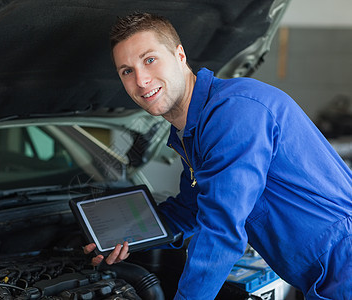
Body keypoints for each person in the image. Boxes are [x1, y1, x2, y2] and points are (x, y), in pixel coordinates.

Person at [84, 12, 352, 299]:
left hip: (343, 265)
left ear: (180, 55)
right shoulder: (192, 133)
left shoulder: (234, 113)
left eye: (149, 60)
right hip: (320, 274)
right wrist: (125, 237)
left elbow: (221, 228)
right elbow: (190, 209)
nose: (141, 79)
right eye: (127, 71)